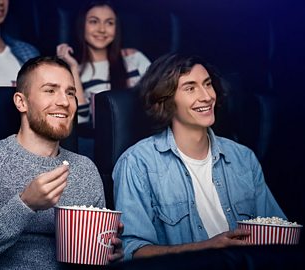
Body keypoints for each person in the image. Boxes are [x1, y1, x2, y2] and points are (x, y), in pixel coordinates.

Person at [0, 56, 123, 269]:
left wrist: (107, 251)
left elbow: (92, 257)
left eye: (70, 92)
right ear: (21, 102)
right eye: (50, 90)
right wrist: (25, 204)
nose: (64, 102)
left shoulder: (85, 169)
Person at [112, 53, 286, 260]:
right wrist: (205, 248)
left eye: (207, 84)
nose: (206, 96)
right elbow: (133, 250)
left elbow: (277, 231)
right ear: (166, 99)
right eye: (190, 88)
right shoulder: (137, 163)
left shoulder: (243, 157)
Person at [56, 1, 151, 125]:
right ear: (81, 25)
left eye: (109, 23)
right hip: (102, 140)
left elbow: (159, 98)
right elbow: (80, 120)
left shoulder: (133, 58)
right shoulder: (75, 70)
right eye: (94, 21)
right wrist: (73, 68)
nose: (102, 29)